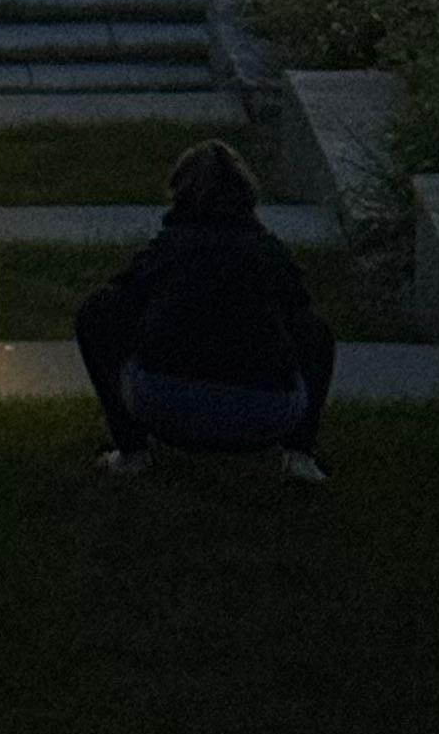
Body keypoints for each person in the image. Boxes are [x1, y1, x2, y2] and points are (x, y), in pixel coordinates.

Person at [75, 139, 335, 483]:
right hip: (265, 415)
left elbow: (117, 299)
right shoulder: (268, 254)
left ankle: (132, 452)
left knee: (99, 310)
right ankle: (300, 456)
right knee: (313, 330)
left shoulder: (168, 250)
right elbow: (301, 316)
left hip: (162, 406)